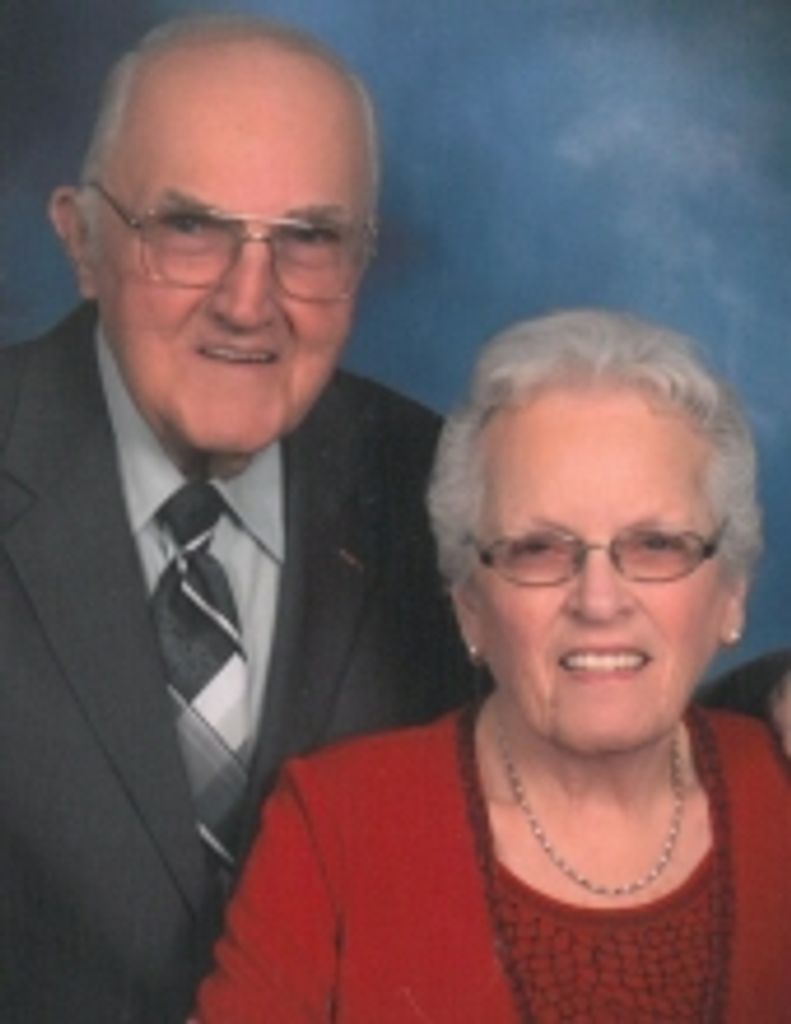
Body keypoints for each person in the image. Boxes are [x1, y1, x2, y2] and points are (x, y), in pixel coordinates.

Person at [0, 14, 473, 1024]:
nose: (248, 302)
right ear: (80, 238)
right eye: (188, 228)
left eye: (308, 238)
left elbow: (604, 726)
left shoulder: (440, 485)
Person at [195, 310, 790, 1022]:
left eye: (656, 544)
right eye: (538, 549)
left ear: (731, 593)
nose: (599, 601)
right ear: (470, 604)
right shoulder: (337, 825)